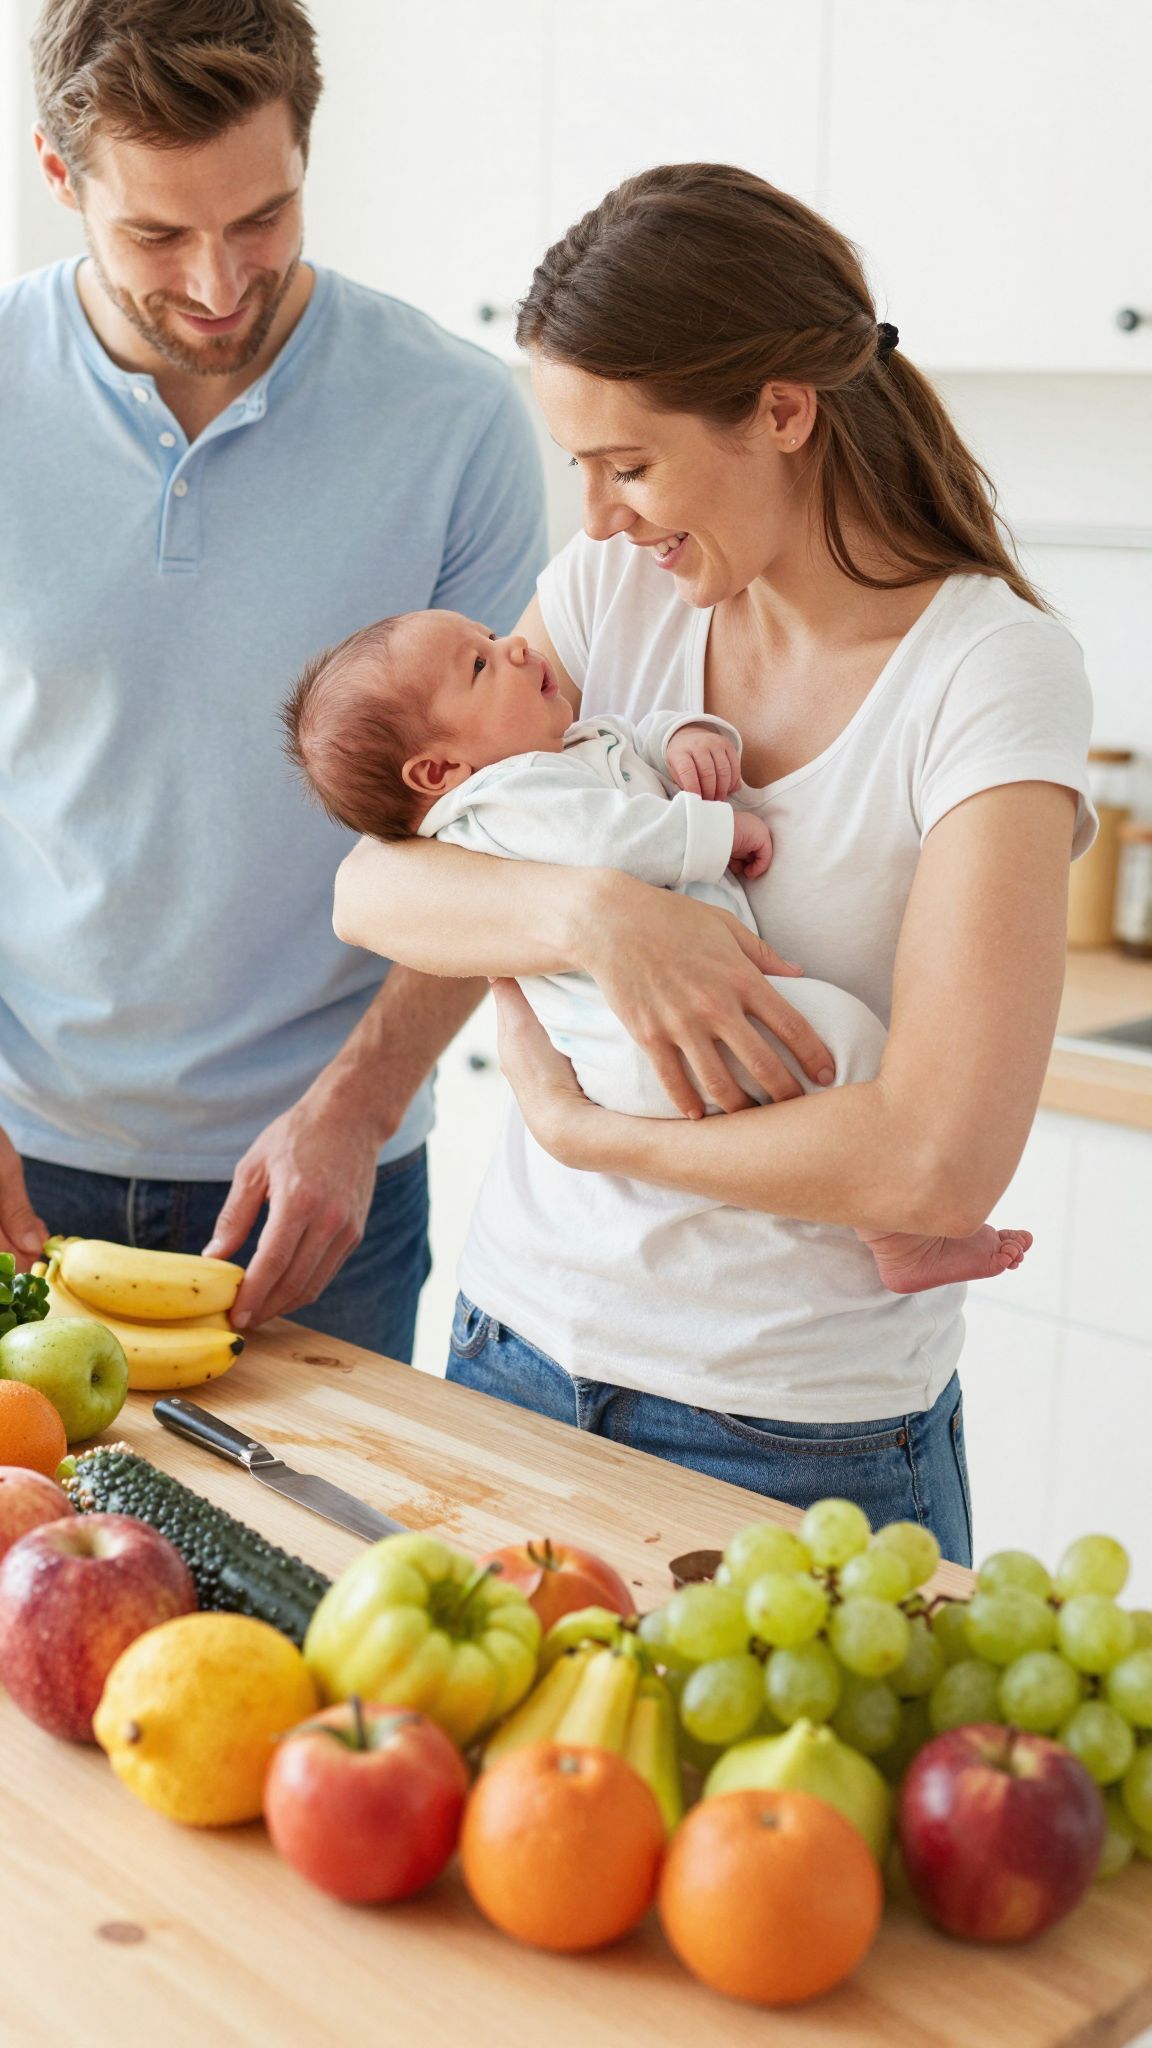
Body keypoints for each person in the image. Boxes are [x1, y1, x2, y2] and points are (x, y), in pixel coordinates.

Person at [331, 165, 1096, 1562]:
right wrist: (603, 915)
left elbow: (937, 1161)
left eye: (629, 465)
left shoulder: (989, 676)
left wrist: (590, 1137)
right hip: (513, 1353)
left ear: (783, 412)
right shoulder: (610, 592)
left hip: (792, 1435)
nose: (603, 515)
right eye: (582, 470)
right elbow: (378, 882)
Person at [0, 0, 546, 1359]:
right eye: (156, 234)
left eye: (261, 218)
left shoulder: (457, 417)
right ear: (59, 179)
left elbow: (505, 821)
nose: (218, 283)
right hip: (22, 1151)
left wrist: (357, 1110)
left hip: (320, 1174)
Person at [283, 604, 1032, 1297]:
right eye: (478, 666)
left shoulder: (559, 748)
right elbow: (608, 838)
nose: (512, 645)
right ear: (440, 773)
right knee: (848, 1045)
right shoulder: (501, 803)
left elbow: (622, 744)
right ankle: (897, 1236)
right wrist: (717, 833)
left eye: (487, 636)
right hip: (639, 1044)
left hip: (642, 1066)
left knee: (843, 1065)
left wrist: (683, 736)